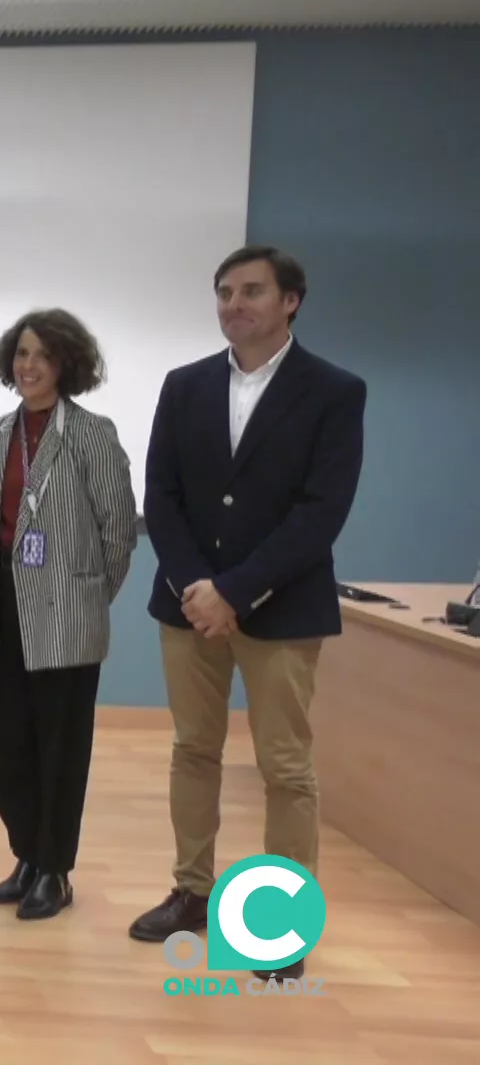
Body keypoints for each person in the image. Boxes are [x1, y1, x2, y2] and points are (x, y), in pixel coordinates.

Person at [129, 246, 365, 983]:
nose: (235, 303)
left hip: (282, 608)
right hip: (188, 606)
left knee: (285, 768)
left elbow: (321, 511)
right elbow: (161, 496)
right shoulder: (185, 384)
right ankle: (192, 891)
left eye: (252, 291)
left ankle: (280, 928)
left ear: (291, 300)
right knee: (193, 750)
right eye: (225, 291)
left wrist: (237, 590)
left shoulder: (333, 391)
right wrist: (200, 585)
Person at [0, 309, 137, 919]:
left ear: (68, 364)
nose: (29, 366)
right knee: (7, 749)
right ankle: (27, 854)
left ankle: (55, 870)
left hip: (65, 617)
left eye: (43, 355)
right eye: (22, 354)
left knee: (59, 750)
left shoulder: (94, 434)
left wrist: (86, 597)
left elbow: (118, 535)